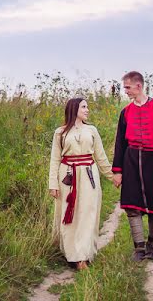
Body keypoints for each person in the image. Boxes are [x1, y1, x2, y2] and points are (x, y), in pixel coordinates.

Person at [111, 71, 153, 261]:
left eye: (127, 87)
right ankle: (139, 249)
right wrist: (117, 171)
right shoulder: (125, 112)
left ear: (138, 86)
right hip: (131, 160)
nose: (125, 91)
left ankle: (152, 246)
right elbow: (120, 143)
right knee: (132, 206)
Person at [48, 96, 115, 270]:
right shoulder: (60, 132)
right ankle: (72, 254)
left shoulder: (92, 130)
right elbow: (55, 159)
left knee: (88, 213)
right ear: (74, 109)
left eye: (87, 107)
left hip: (88, 175)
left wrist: (114, 177)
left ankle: (83, 256)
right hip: (67, 177)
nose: (87, 110)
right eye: (84, 107)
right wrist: (53, 184)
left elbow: (101, 158)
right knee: (69, 215)